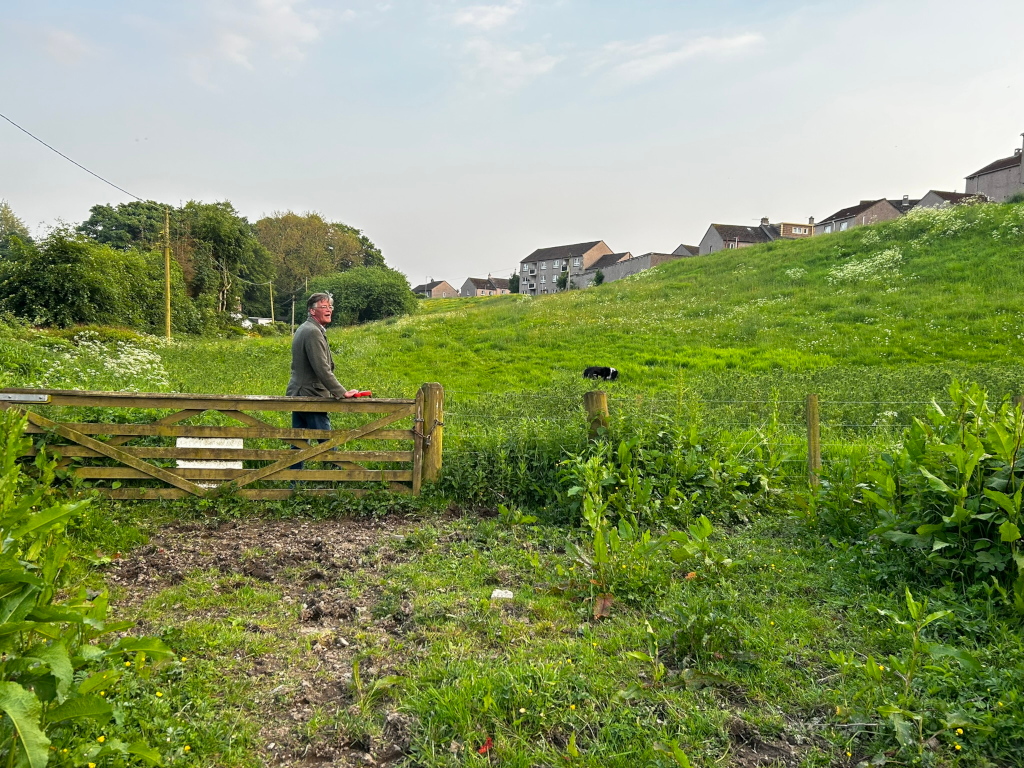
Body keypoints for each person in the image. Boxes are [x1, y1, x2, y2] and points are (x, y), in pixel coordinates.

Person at [287, 293, 359, 467]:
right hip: (310, 395)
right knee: (326, 441)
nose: (329, 310)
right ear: (312, 311)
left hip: (299, 393)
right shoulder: (312, 332)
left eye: (330, 307)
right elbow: (322, 369)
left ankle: (293, 482)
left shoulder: (306, 328)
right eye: (324, 307)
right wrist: (341, 392)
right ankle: (337, 479)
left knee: (299, 442)